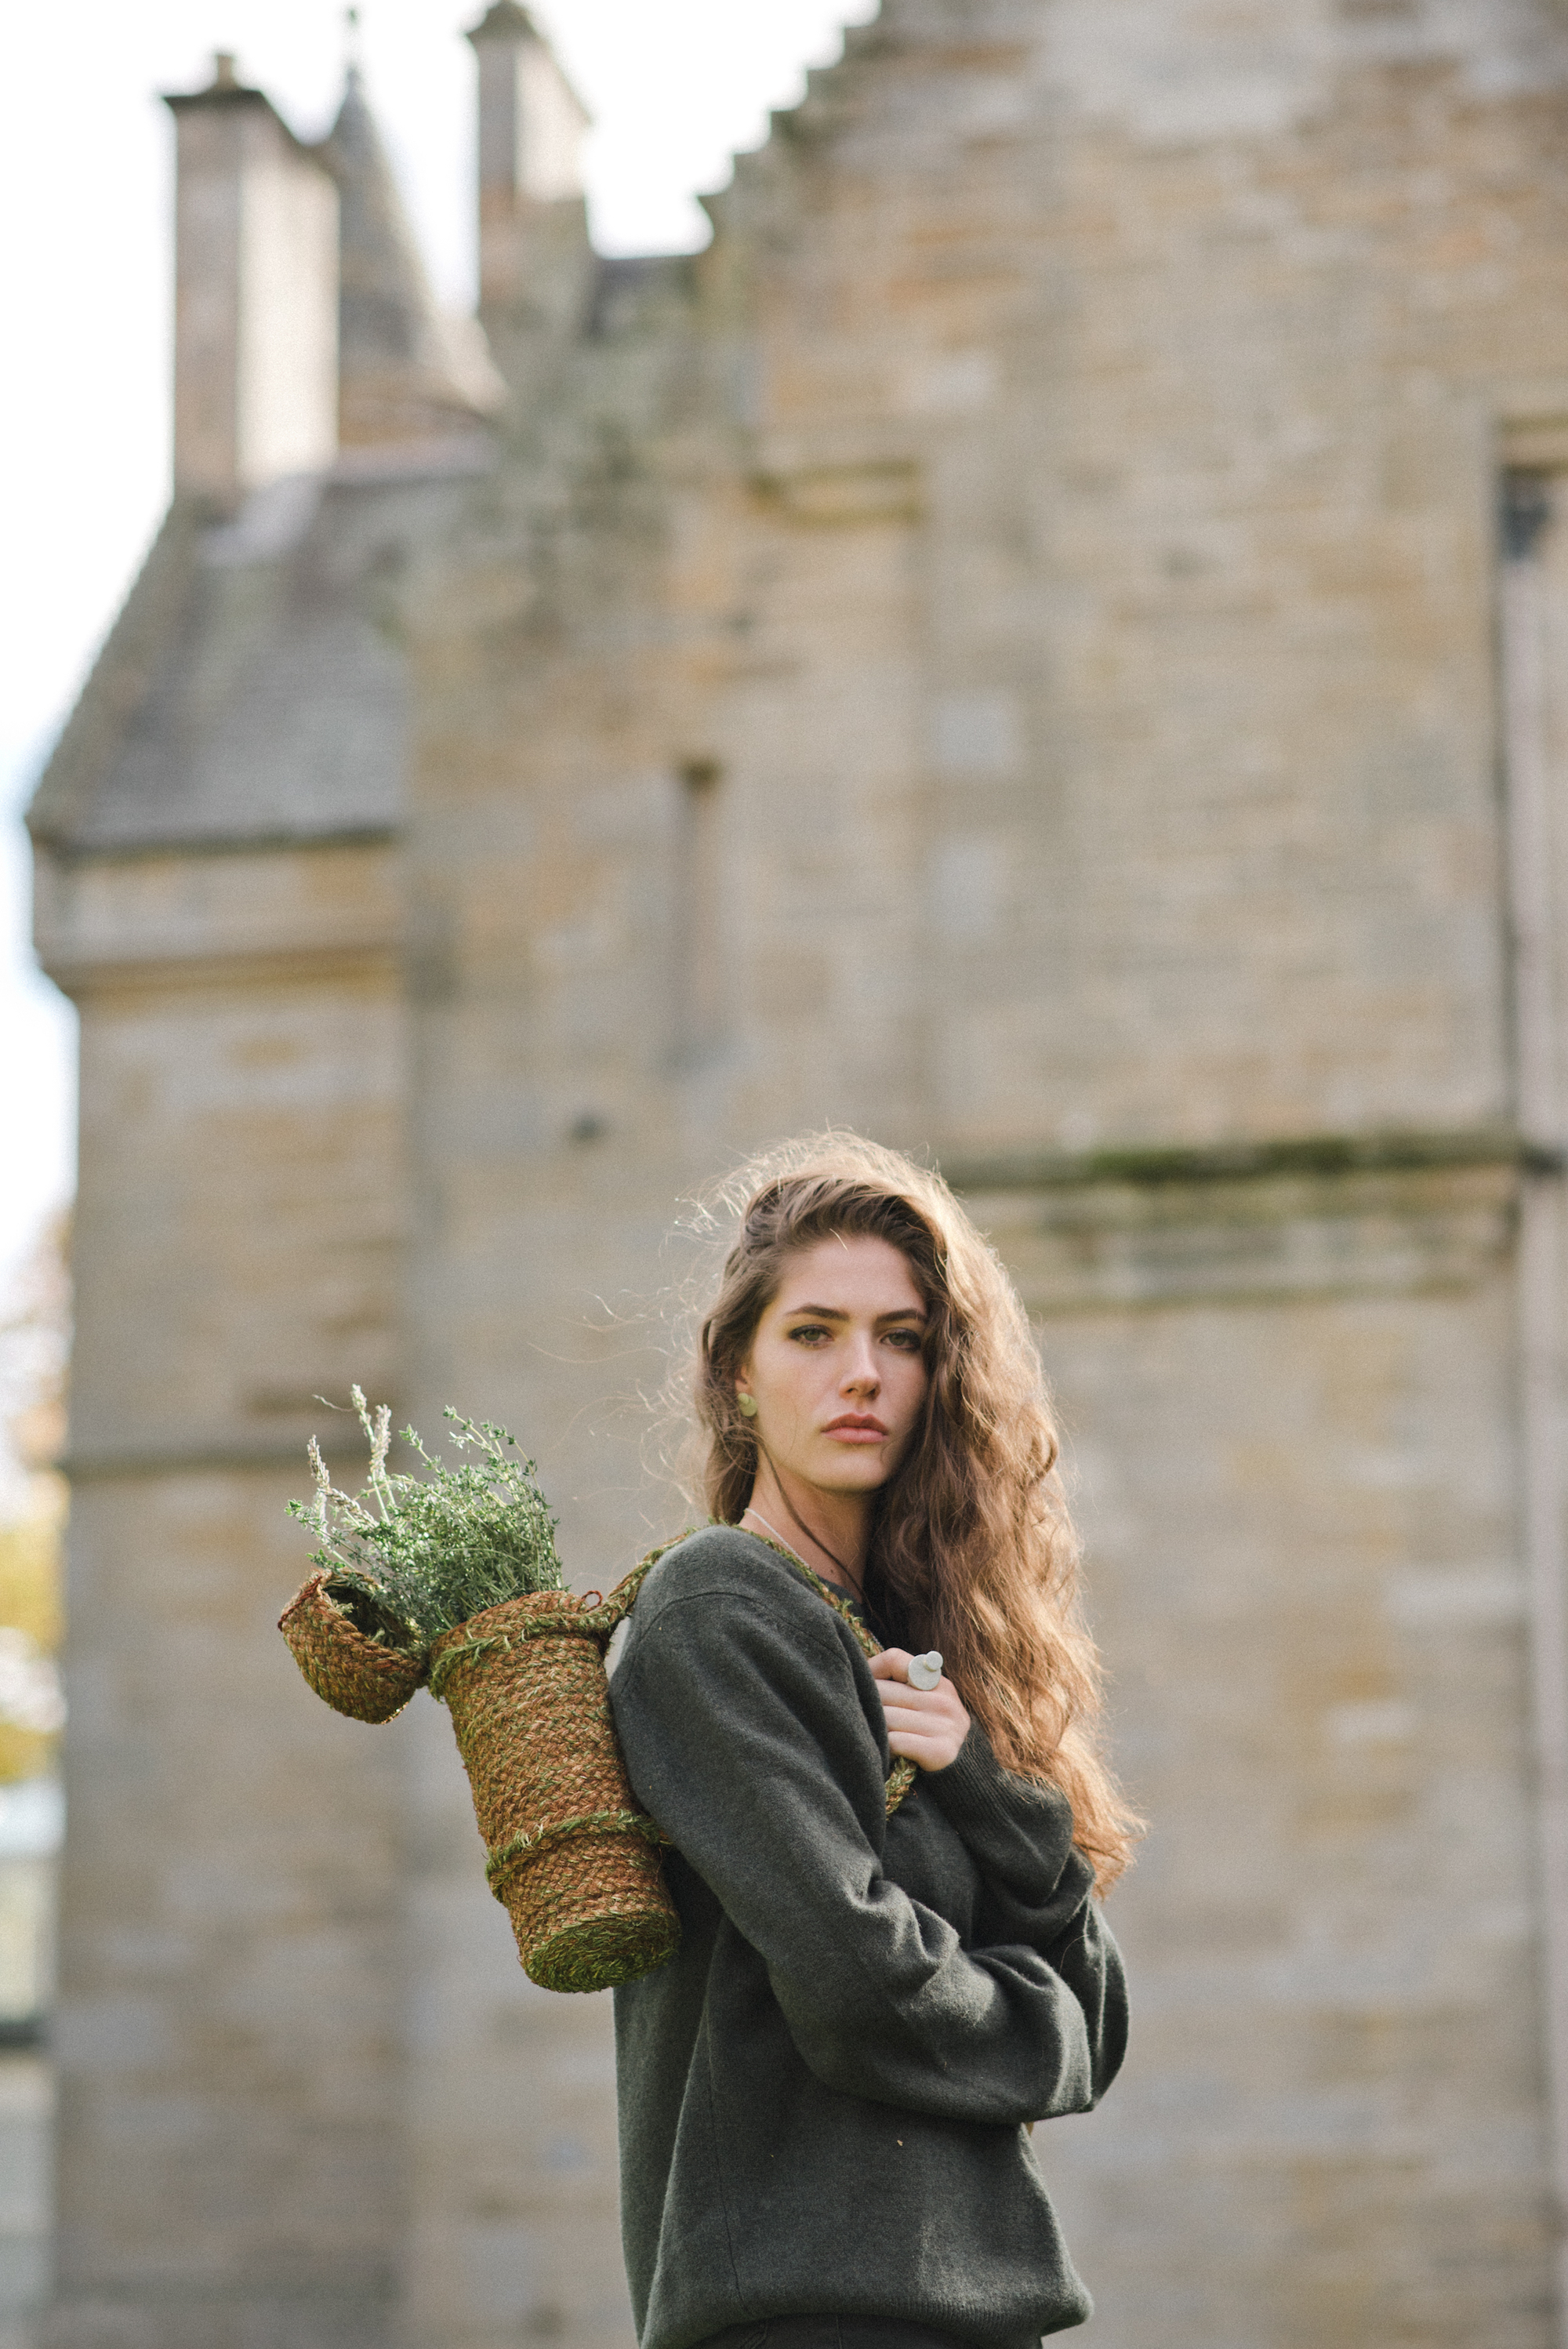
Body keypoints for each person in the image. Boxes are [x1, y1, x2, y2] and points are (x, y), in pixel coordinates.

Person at [608, 1134, 1138, 2349]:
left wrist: (986, 1780)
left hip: (966, 2317)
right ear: (736, 1373)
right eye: (813, 1333)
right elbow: (863, 1989)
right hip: (813, 2311)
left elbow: (1100, 2009)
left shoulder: (909, 1654)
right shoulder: (719, 1605)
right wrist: (1039, 2025)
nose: (864, 1374)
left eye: (901, 1338)